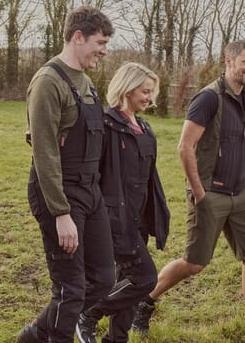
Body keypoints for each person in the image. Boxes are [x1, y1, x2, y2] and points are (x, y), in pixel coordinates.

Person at [131, 41, 245, 343]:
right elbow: (185, 147)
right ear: (229, 61)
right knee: (194, 264)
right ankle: (143, 302)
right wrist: (200, 193)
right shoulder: (208, 98)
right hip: (211, 195)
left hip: (242, 196)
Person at [17, 6, 116, 343]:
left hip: (90, 191)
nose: (104, 51)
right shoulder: (48, 82)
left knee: (102, 280)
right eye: (100, 43)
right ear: (78, 37)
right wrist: (61, 213)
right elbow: (44, 152)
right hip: (59, 193)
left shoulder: (86, 82)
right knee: (70, 288)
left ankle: (35, 335)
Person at [75, 63, 171, 343]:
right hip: (113, 218)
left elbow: (150, 179)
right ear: (127, 90)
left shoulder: (145, 128)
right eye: (145, 91)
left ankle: (117, 339)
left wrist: (157, 215)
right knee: (145, 279)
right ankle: (89, 313)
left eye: (151, 92)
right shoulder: (106, 126)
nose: (150, 98)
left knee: (127, 281)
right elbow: (92, 174)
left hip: (138, 218)